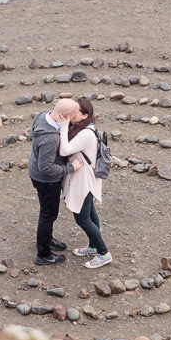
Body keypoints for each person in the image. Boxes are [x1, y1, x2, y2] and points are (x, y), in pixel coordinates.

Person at [28, 98, 83, 265]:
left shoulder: (44, 114)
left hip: (36, 171)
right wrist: (70, 169)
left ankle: (47, 239)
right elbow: (46, 168)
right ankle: (43, 254)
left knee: (48, 213)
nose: (78, 115)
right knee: (48, 214)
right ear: (65, 116)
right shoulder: (51, 138)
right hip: (46, 180)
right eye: (76, 114)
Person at [59, 99, 112, 269]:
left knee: (82, 218)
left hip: (84, 181)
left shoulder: (85, 134)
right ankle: (94, 246)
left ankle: (104, 253)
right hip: (87, 178)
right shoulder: (87, 130)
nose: (71, 115)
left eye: (76, 112)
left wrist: (63, 126)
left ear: (85, 115)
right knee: (90, 214)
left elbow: (64, 150)